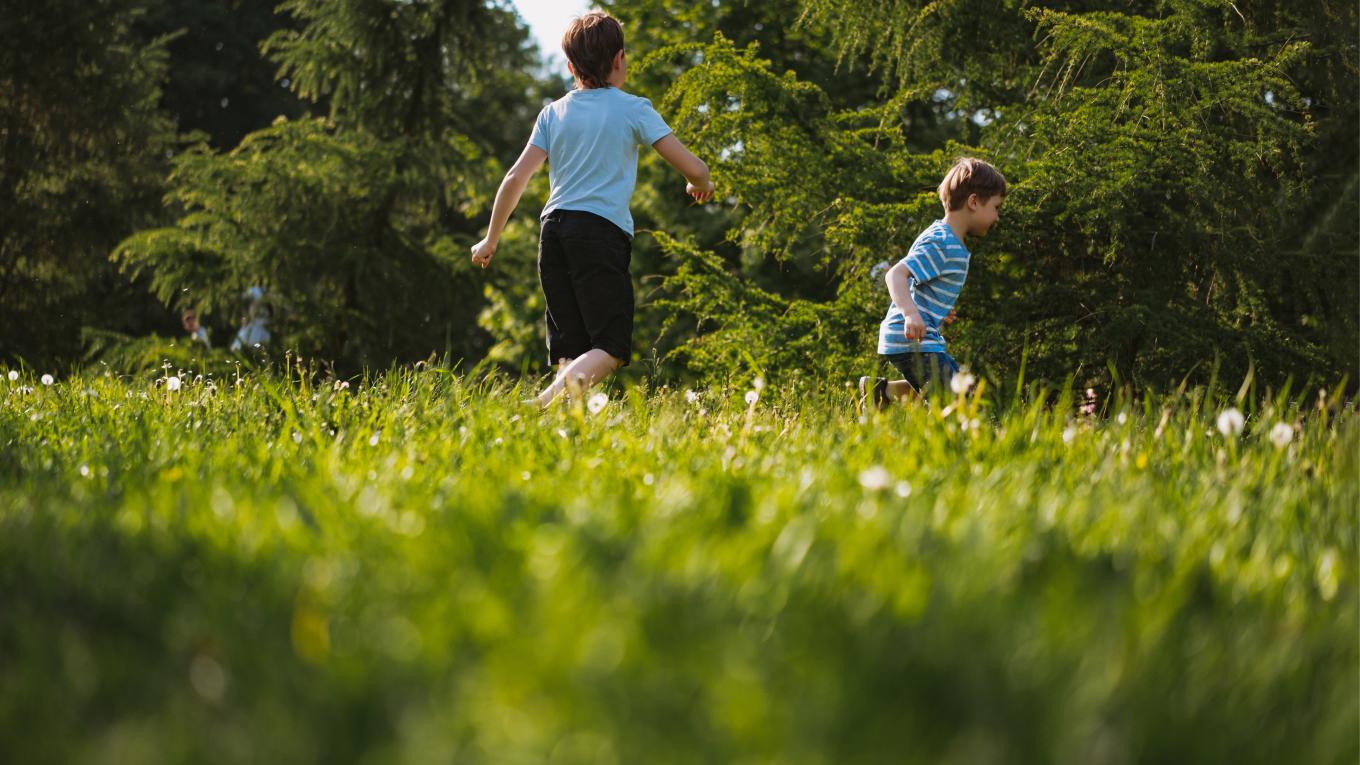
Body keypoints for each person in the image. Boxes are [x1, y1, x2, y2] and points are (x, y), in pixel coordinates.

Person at [469, 11, 715, 408]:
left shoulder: (553, 113)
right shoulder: (634, 109)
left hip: (553, 233)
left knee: (573, 352)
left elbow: (516, 177)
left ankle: (563, 434)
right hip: (599, 234)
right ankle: (538, 407)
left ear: (569, 66)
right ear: (620, 59)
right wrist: (699, 185)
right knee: (611, 347)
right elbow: (696, 168)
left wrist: (490, 238)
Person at [859, 158, 1006, 409]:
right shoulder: (942, 242)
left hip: (920, 339)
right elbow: (895, 275)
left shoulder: (946, 239)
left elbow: (923, 282)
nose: (996, 217)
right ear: (973, 202)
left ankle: (881, 393)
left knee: (955, 385)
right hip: (912, 339)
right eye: (995, 207)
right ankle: (945, 440)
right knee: (953, 398)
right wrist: (911, 314)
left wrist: (937, 306)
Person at [229, 286, 271, 352]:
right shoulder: (251, 309)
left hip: (257, 330)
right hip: (251, 328)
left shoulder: (263, 310)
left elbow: (265, 319)